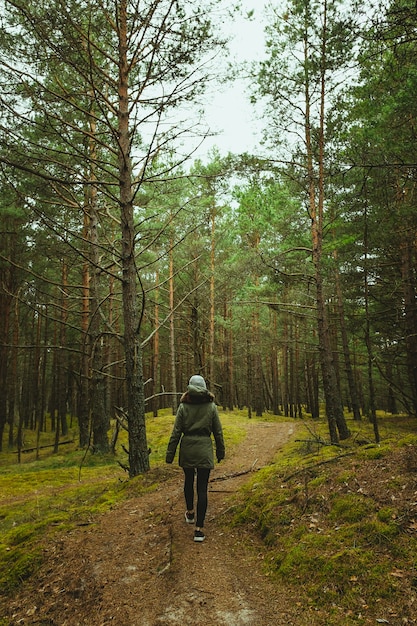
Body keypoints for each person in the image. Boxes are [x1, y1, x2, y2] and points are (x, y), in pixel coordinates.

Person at [166, 375, 225, 542]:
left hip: (188, 449)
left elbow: (176, 432)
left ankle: (190, 513)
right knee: (202, 488)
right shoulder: (211, 407)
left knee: (188, 480)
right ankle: (199, 529)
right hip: (205, 449)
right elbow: (218, 432)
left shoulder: (184, 407)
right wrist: (220, 451)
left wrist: (170, 454)